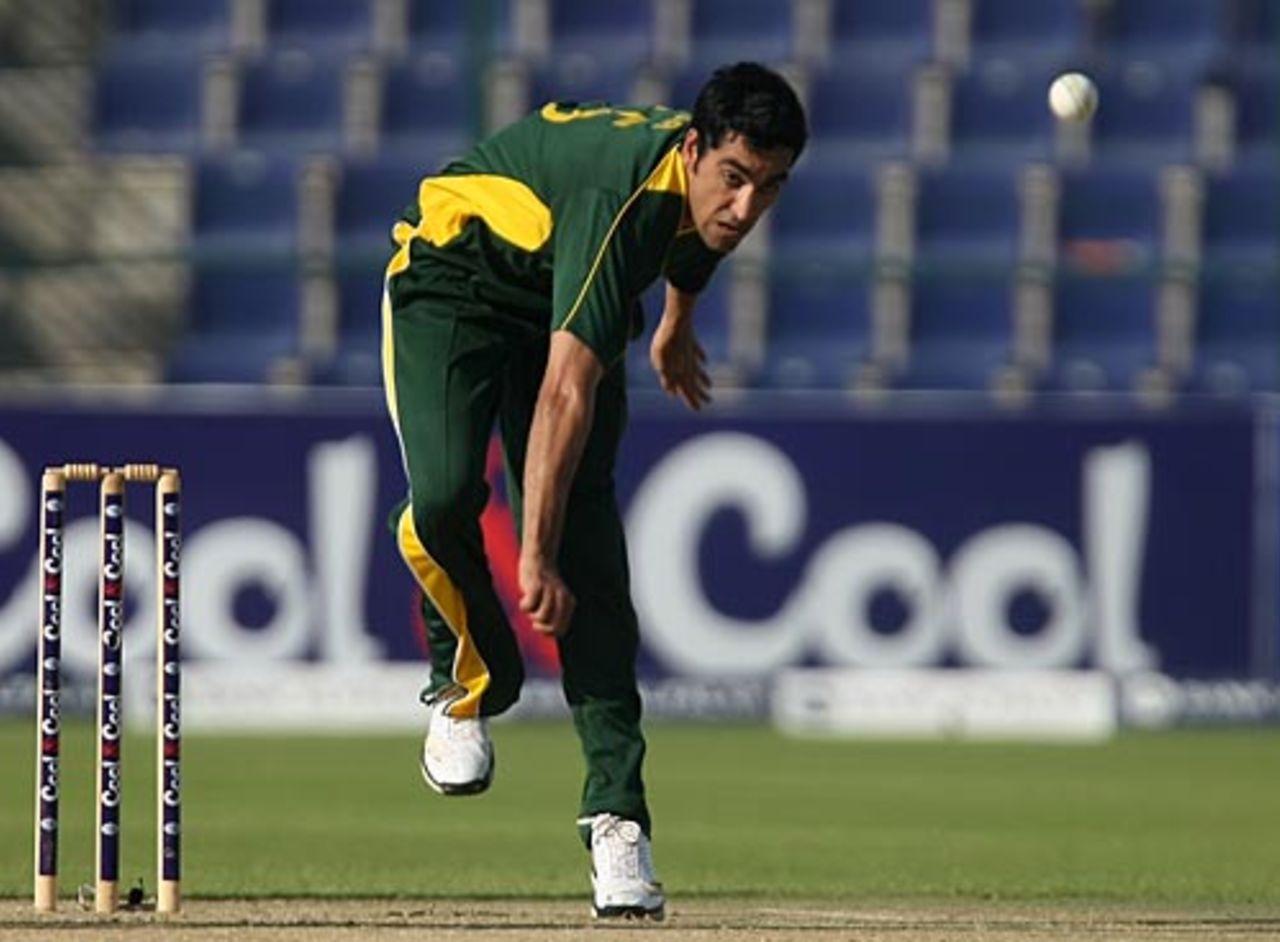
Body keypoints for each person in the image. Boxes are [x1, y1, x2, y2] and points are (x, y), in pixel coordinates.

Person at [381, 61, 807, 919]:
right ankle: (464, 688)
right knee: (446, 499)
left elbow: (695, 248)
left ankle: (618, 819)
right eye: (733, 178)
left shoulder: (700, 194)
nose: (745, 208)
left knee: (593, 561)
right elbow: (564, 390)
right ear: (694, 151)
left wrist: (677, 328)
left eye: (770, 188)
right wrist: (530, 553)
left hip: (565, 295)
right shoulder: (627, 200)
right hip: (455, 283)